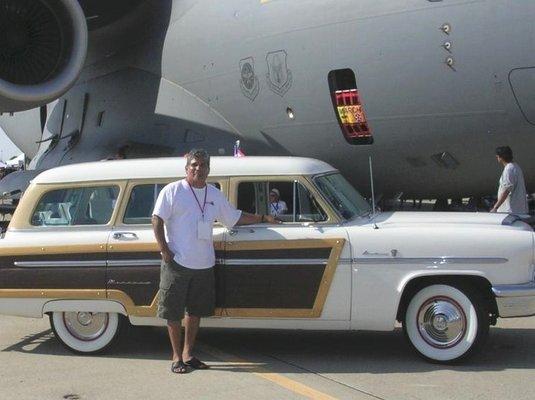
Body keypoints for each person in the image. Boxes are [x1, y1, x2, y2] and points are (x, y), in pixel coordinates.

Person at [152, 149, 279, 374]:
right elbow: (157, 218)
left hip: (204, 263)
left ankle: (188, 354)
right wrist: (164, 250)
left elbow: (234, 217)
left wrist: (262, 218)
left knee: (195, 312)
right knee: (173, 312)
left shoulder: (214, 194)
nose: (198, 169)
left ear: (208, 169)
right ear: (187, 168)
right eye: (194, 165)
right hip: (177, 262)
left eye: (202, 165)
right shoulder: (173, 190)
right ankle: (175, 357)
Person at [490, 146, 528, 214]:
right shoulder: (515, 166)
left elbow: (507, 190)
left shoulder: (509, 169)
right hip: (518, 209)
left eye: (497, 156)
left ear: (500, 157)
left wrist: (495, 207)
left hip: (511, 211)